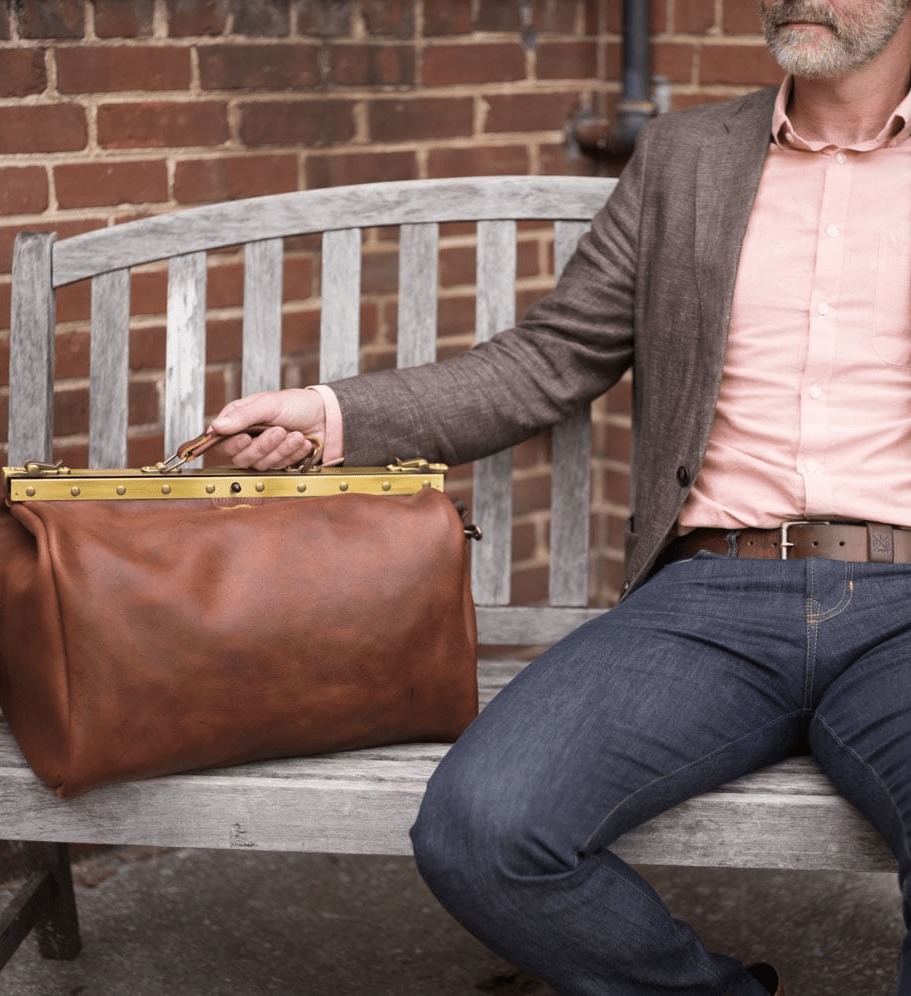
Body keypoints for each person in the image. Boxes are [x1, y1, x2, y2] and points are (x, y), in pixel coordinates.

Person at [209, 1, 911, 992]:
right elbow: (552, 357)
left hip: (904, 606)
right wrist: (333, 415)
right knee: (481, 829)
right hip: (709, 599)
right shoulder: (688, 155)